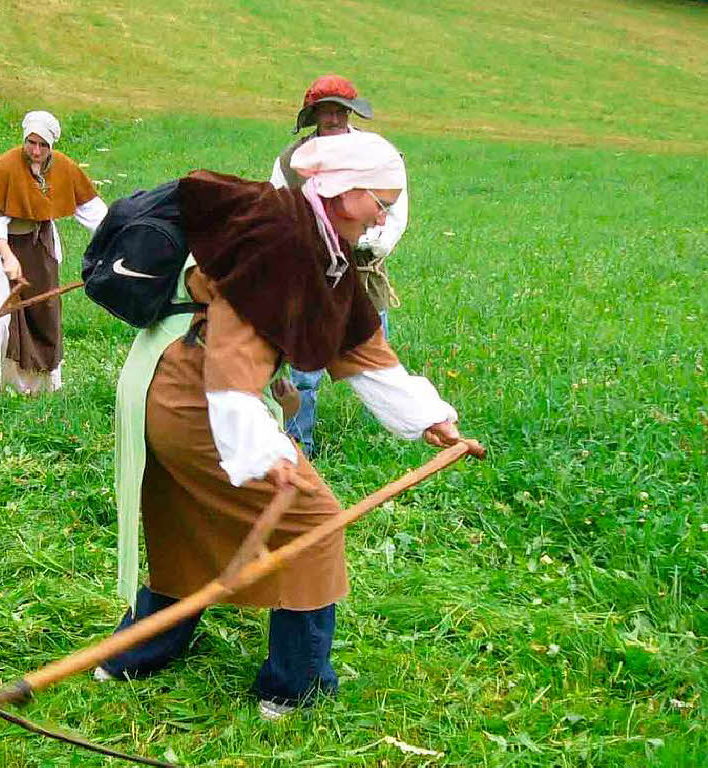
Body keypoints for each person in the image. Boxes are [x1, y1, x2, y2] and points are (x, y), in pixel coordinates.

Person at [94, 131, 458, 721]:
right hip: (195, 396)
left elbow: (354, 342)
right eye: (380, 203)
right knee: (312, 524)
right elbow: (234, 359)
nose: (384, 217)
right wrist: (266, 450)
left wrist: (430, 419)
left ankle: (134, 654)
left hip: (183, 385)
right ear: (345, 191)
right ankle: (294, 685)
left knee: (185, 519)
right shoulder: (283, 238)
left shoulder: (318, 239)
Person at [269, 75, 409, 456]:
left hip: (364, 271)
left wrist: (365, 244)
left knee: (375, 351)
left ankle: (385, 437)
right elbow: (278, 206)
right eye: (324, 111)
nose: (332, 118)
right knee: (304, 364)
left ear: (349, 112)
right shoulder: (292, 160)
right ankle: (299, 442)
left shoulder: (377, 154)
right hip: (312, 275)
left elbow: (393, 211)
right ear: (313, 115)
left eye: (338, 110)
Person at [0, 110, 107, 394]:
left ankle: (37, 387)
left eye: (42, 145)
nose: (36, 150)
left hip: (39, 250)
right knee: (0, 321)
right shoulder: (4, 167)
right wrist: (8, 257)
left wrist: (114, 239)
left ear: (51, 145)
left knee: (43, 315)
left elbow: (93, 211)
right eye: (31, 142)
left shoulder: (63, 168)